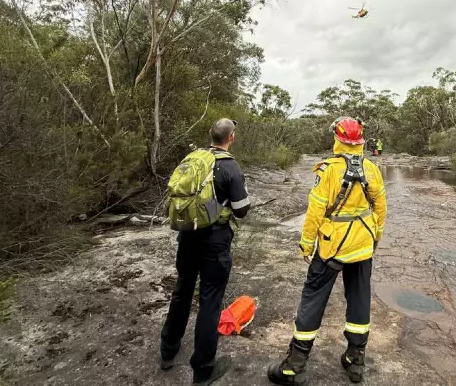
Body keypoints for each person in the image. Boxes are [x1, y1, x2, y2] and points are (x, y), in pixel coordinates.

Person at [267, 117, 387, 385]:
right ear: (361, 141)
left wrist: (307, 244)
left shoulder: (328, 170)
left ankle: (294, 364)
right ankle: (355, 361)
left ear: (338, 139)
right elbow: (380, 209)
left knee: (313, 299)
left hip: (332, 248)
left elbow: (315, 211)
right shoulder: (372, 169)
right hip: (363, 246)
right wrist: (375, 238)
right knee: (359, 300)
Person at [159, 118, 251, 385]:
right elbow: (242, 210)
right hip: (215, 240)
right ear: (230, 138)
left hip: (187, 236)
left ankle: (167, 351)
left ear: (211, 136)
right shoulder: (230, 166)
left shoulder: (192, 157)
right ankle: (203, 369)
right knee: (210, 300)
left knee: (182, 290)